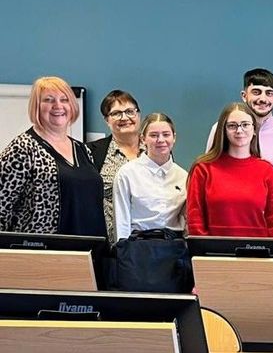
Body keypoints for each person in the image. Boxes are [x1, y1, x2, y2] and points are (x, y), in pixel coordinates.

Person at [0, 76, 104, 236]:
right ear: (36, 106)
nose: (58, 106)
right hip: (43, 249)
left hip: (89, 247)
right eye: (48, 100)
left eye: (64, 100)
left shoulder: (83, 150)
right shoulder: (23, 148)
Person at [205, 68, 273, 223]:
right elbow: (209, 175)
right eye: (256, 92)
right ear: (244, 95)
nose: (263, 99)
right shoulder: (221, 129)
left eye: (269, 93)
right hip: (229, 223)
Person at [186, 103, 273, 238]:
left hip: (257, 249)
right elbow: (195, 220)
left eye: (245, 124)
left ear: (254, 129)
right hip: (213, 249)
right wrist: (207, 247)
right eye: (232, 126)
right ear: (223, 130)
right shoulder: (203, 169)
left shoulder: (267, 171)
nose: (239, 130)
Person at [111, 113, 187, 242]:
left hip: (174, 246)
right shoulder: (127, 173)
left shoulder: (183, 176)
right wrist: (123, 249)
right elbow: (121, 221)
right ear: (143, 139)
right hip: (139, 245)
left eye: (166, 134)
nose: (160, 140)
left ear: (174, 138)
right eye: (154, 135)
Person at [89, 90, 142, 236]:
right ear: (107, 120)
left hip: (149, 241)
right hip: (108, 242)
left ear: (138, 114)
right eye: (116, 113)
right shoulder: (92, 152)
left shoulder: (155, 149)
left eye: (130, 111)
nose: (124, 118)